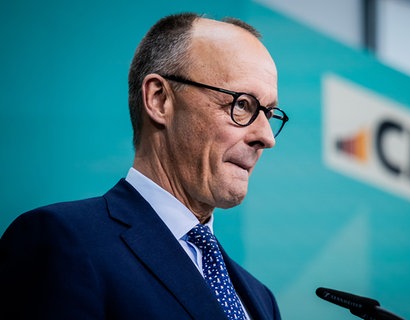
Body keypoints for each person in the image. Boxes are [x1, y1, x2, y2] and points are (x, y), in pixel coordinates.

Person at [0, 12, 288, 320]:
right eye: (243, 104)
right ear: (159, 99)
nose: (266, 137)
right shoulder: (62, 241)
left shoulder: (261, 300)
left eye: (269, 114)